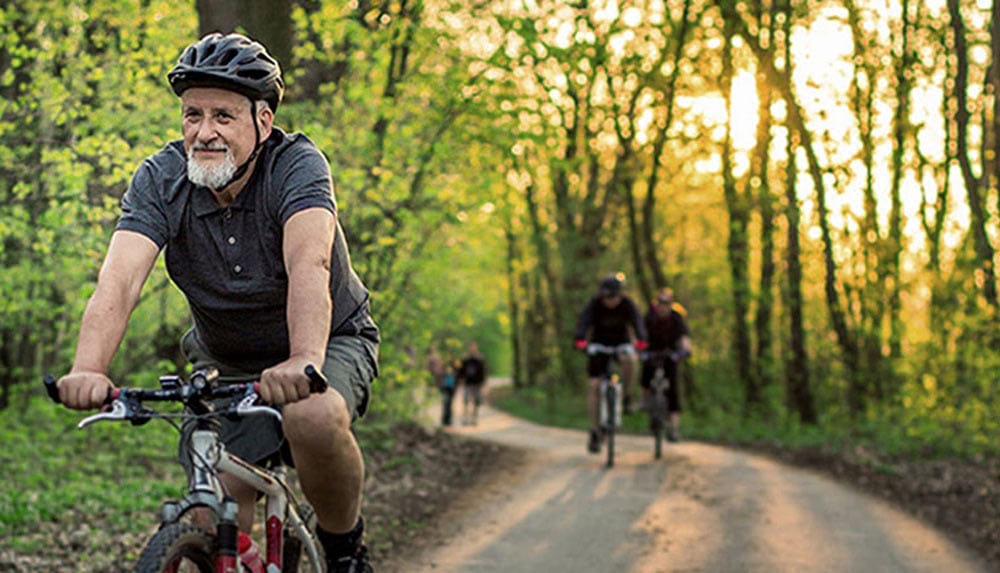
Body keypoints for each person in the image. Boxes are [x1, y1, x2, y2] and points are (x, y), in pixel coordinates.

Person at [54, 33, 377, 572]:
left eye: (224, 116)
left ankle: (345, 550)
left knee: (314, 415)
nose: (204, 132)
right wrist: (89, 367)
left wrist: (303, 360)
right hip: (225, 360)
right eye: (192, 115)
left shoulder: (297, 167)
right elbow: (119, 282)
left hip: (327, 339)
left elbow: (310, 266)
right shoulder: (160, 179)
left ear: (263, 122)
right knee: (213, 516)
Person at [574, 273, 647, 454]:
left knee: (629, 359)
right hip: (599, 346)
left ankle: (628, 396)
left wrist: (641, 339)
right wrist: (580, 339)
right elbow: (584, 322)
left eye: (613, 297)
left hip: (621, 344)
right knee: (594, 385)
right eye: (606, 297)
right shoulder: (594, 304)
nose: (610, 301)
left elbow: (638, 322)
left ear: (620, 294)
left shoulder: (628, 304)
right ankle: (595, 429)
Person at [641, 288, 692, 442]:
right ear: (656, 303)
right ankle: (648, 405)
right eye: (660, 302)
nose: (663, 306)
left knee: (673, 390)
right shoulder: (649, 317)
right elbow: (639, 335)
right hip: (651, 353)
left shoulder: (677, 317)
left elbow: (684, 337)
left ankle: (674, 429)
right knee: (645, 378)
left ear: (671, 304)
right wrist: (639, 349)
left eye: (666, 303)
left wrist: (685, 350)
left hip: (671, 354)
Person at [458, 341, 487, 425]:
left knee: (476, 401)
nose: (472, 348)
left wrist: (483, 383)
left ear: (476, 348)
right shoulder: (465, 359)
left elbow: (483, 371)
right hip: (468, 383)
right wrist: (460, 380)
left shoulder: (480, 358)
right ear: (469, 348)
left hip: (477, 383)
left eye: (474, 347)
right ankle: (465, 418)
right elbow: (461, 370)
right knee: (466, 400)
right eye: (471, 347)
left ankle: (474, 418)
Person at [427, 347, 454, 426]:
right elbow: (439, 373)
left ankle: (447, 419)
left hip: (451, 386)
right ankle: (444, 420)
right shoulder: (443, 363)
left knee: (449, 403)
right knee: (445, 402)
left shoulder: (454, 362)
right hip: (444, 385)